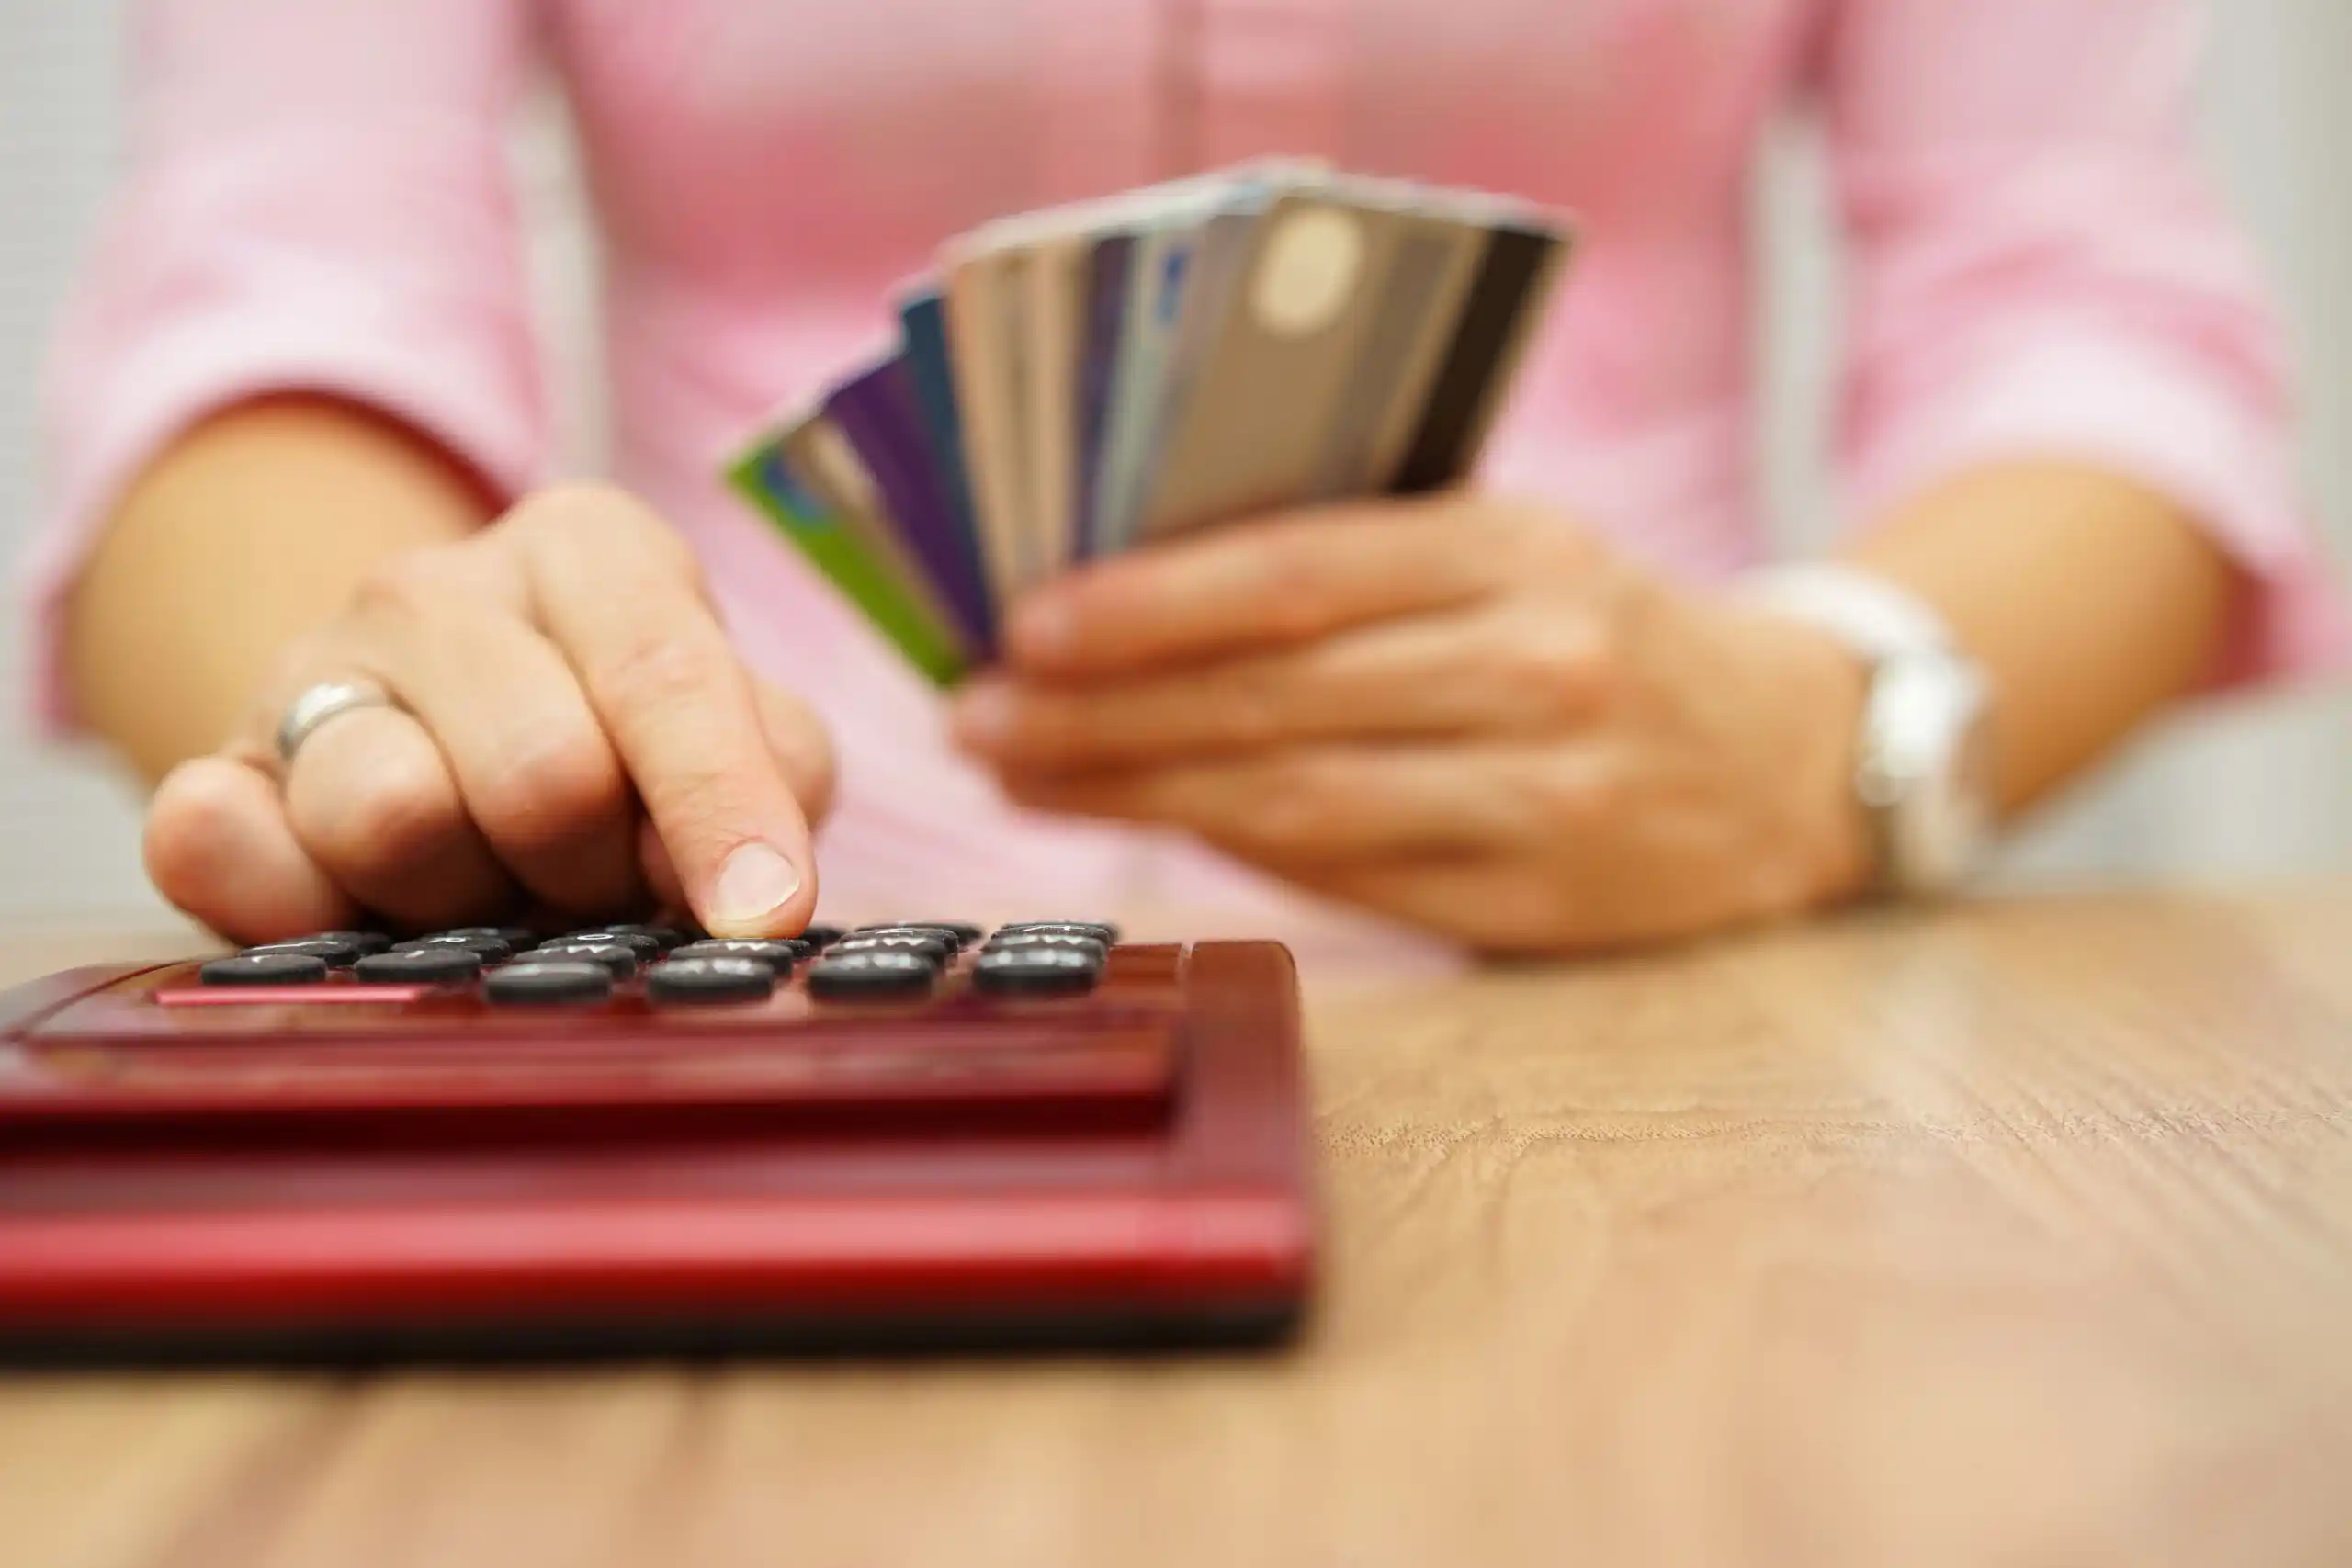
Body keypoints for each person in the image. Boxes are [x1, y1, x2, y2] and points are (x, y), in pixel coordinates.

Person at [32, 0, 2346, 956]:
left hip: (1675, 980)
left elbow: (2088, 315)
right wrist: (415, 708)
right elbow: (275, 289)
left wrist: (1811, 732)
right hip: (766, 986)